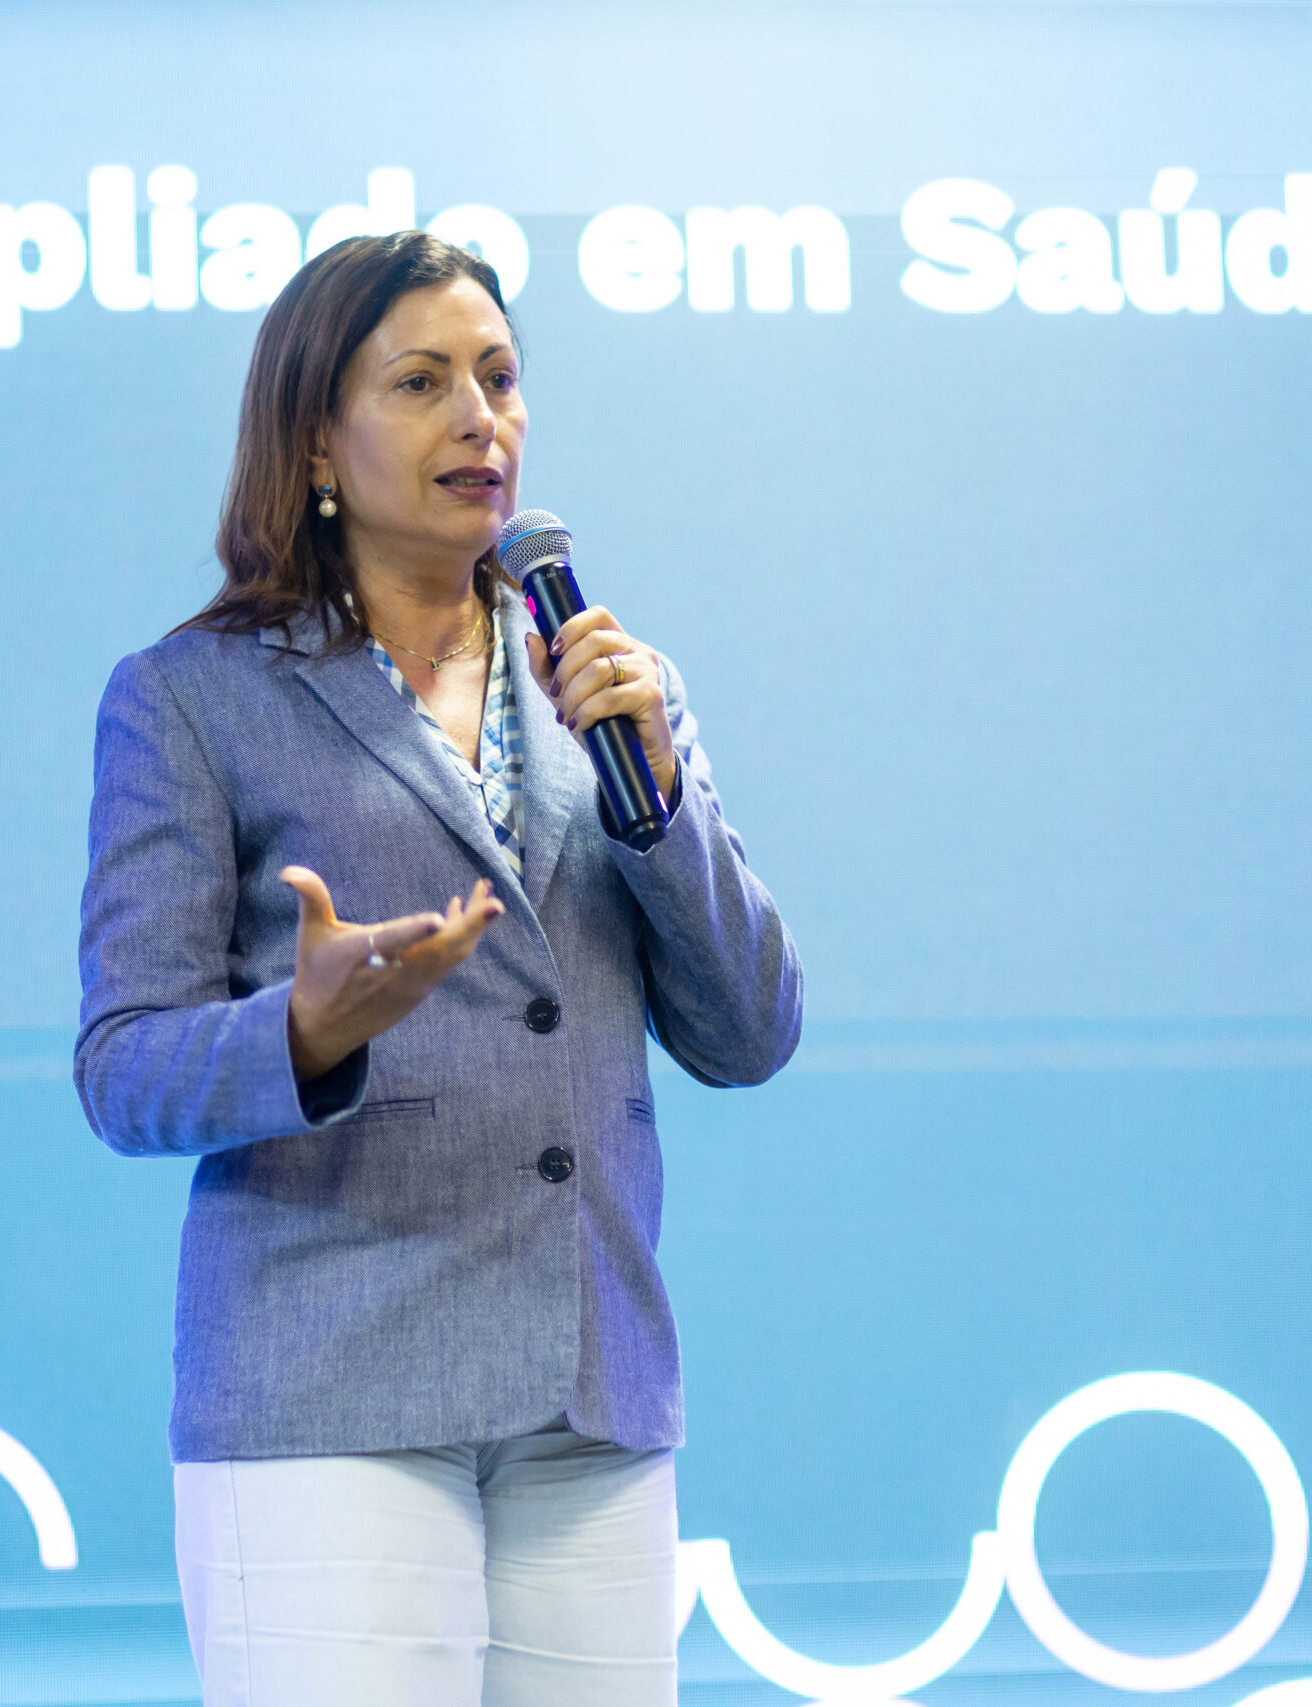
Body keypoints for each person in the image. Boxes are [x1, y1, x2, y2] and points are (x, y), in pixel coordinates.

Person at [74, 230, 802, 1707]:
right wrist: (302, 1032)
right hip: (329, 1389)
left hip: (587, 1391)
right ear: (315, 442)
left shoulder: (611, 689)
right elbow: (123, 1066)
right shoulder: (191, 699)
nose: (482, 418)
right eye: (422, 383)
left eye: (501, 378)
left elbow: (750, 1032)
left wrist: (657, 803)